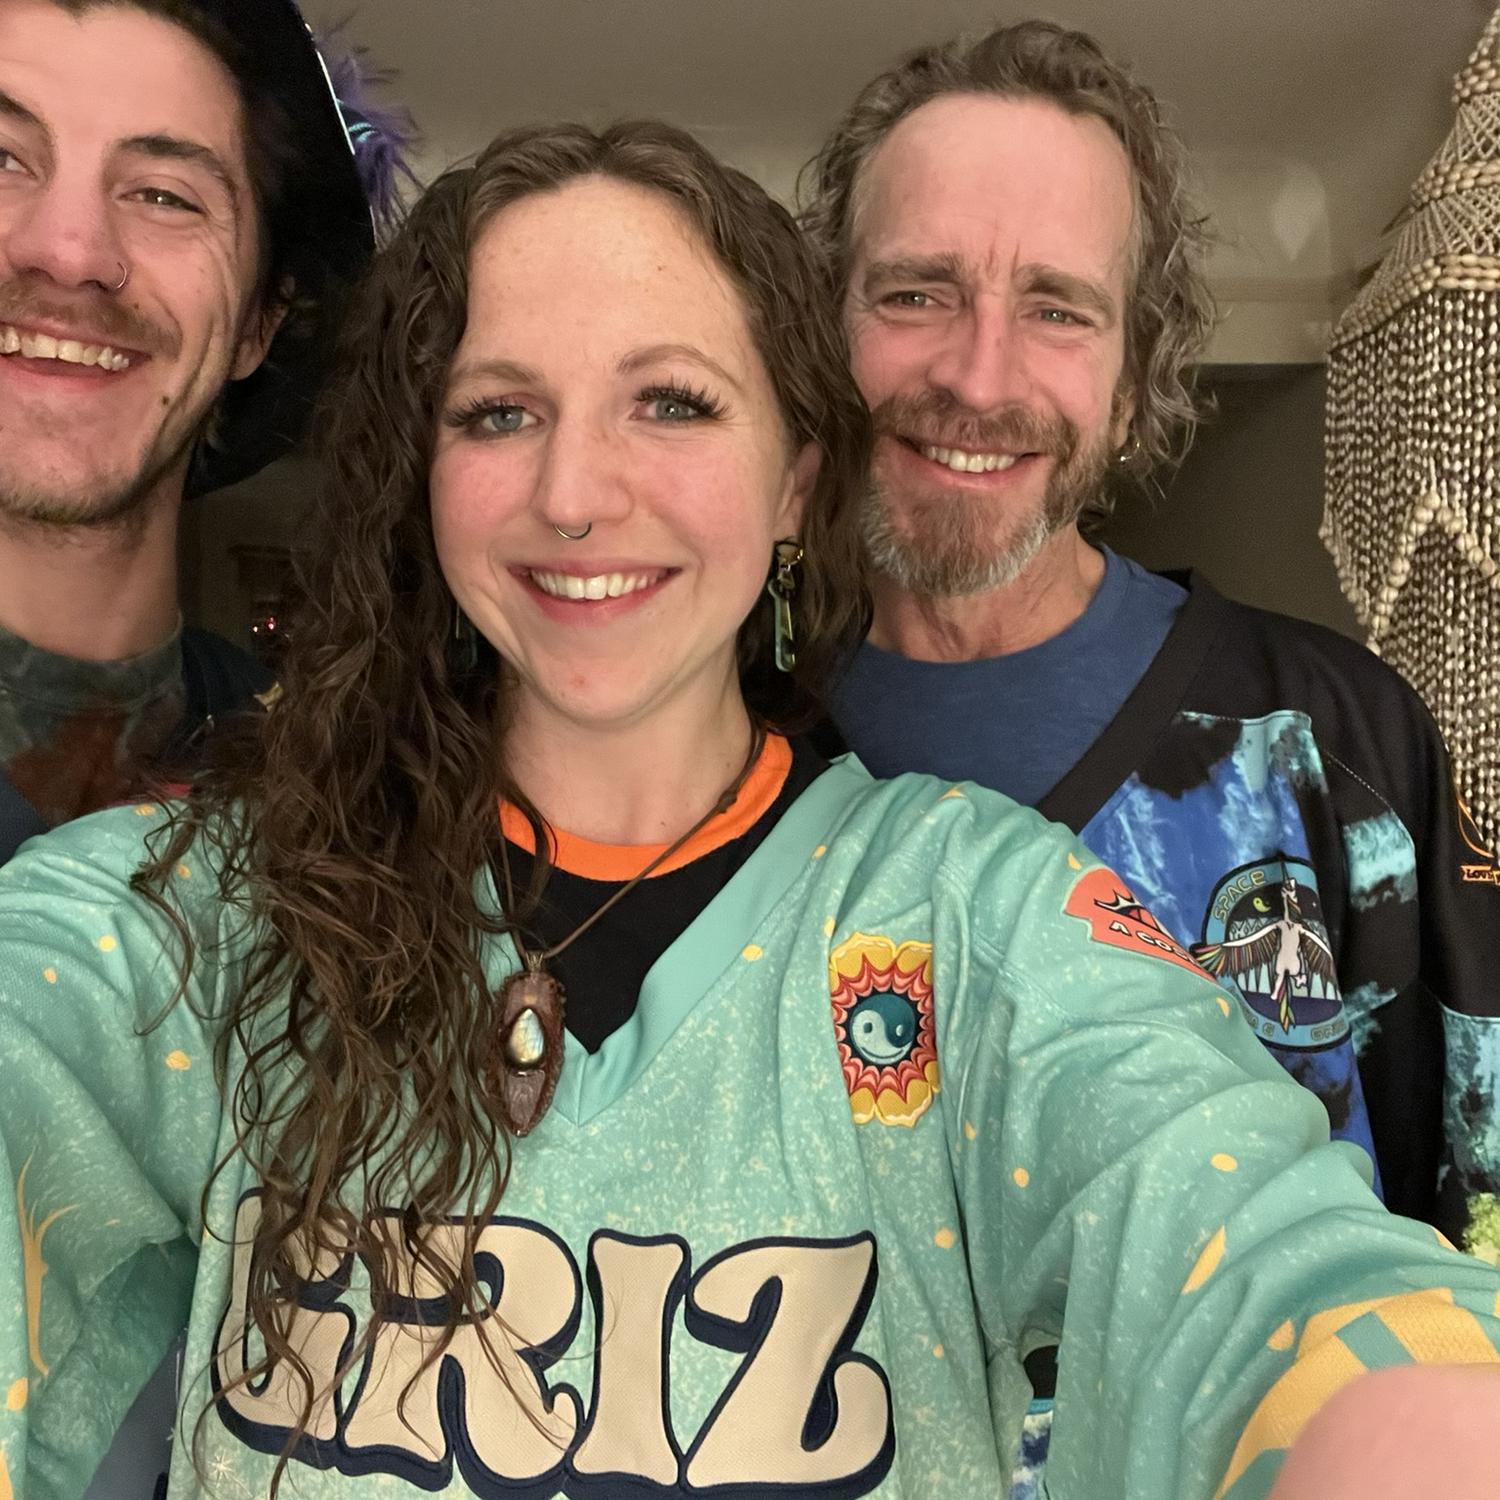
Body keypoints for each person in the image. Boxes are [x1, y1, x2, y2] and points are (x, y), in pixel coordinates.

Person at [2, 119, 1500, 1500]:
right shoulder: (225, 903)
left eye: (671, 402)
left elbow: (1248, 1241)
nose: (575, 493)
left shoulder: (976, 914)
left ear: (794, 480)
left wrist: (1395, 1414)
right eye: (500, 410)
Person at [802, 18, 1500, 1258]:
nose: (978, 377)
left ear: (1129, 391)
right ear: (823, 334)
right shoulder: (713, 743)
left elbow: (1471, 1220)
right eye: (915, 292)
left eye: (1057, 310)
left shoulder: (1332, 740)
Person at [0, 0, 401, 865]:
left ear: (259, 322)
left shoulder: (327, 796)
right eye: (2, 158)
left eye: (163, 195)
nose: (68, 251)